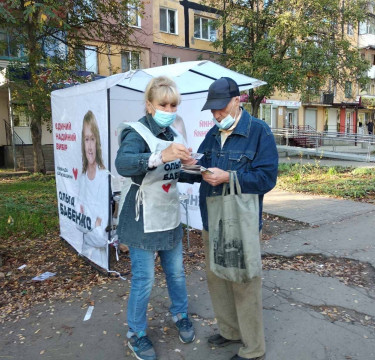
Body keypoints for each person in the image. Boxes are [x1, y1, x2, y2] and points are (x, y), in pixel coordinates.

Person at [197, 77, 279, 360]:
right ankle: (230, 331)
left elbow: (267, 179)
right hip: (212, 218)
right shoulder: (211, 134)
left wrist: (230, 176)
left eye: (221, 108)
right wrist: (186, 166)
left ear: (237, 100)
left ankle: (253, 349)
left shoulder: (259, 132)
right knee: (217, 278)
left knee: (244, 281)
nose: (217, 114)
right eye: (212, 110)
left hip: (240, 223)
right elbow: (202, 170)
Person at [115, 76, 197, 360]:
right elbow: (123, 165)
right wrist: (161, 156)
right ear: (149, 104)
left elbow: (175, 174)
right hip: (142, 219)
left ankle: (180, 314)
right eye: (163, 104)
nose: (169, 109)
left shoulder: (174, 135)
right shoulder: (135, 132)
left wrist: (196, 169)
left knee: (176, 272)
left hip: (169, 214)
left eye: (174, 105)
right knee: (144, 279)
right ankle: (135, 333)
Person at [77, 110, 109, 266]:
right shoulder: (82, 178)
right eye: (86, 139)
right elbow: (78, 221)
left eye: (92, 139)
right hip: (86, 253)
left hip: (101, 258)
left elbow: (102, 236)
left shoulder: (105, 177)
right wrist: (92, 223)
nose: (89, 146)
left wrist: (87, 226)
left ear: (98, 142)